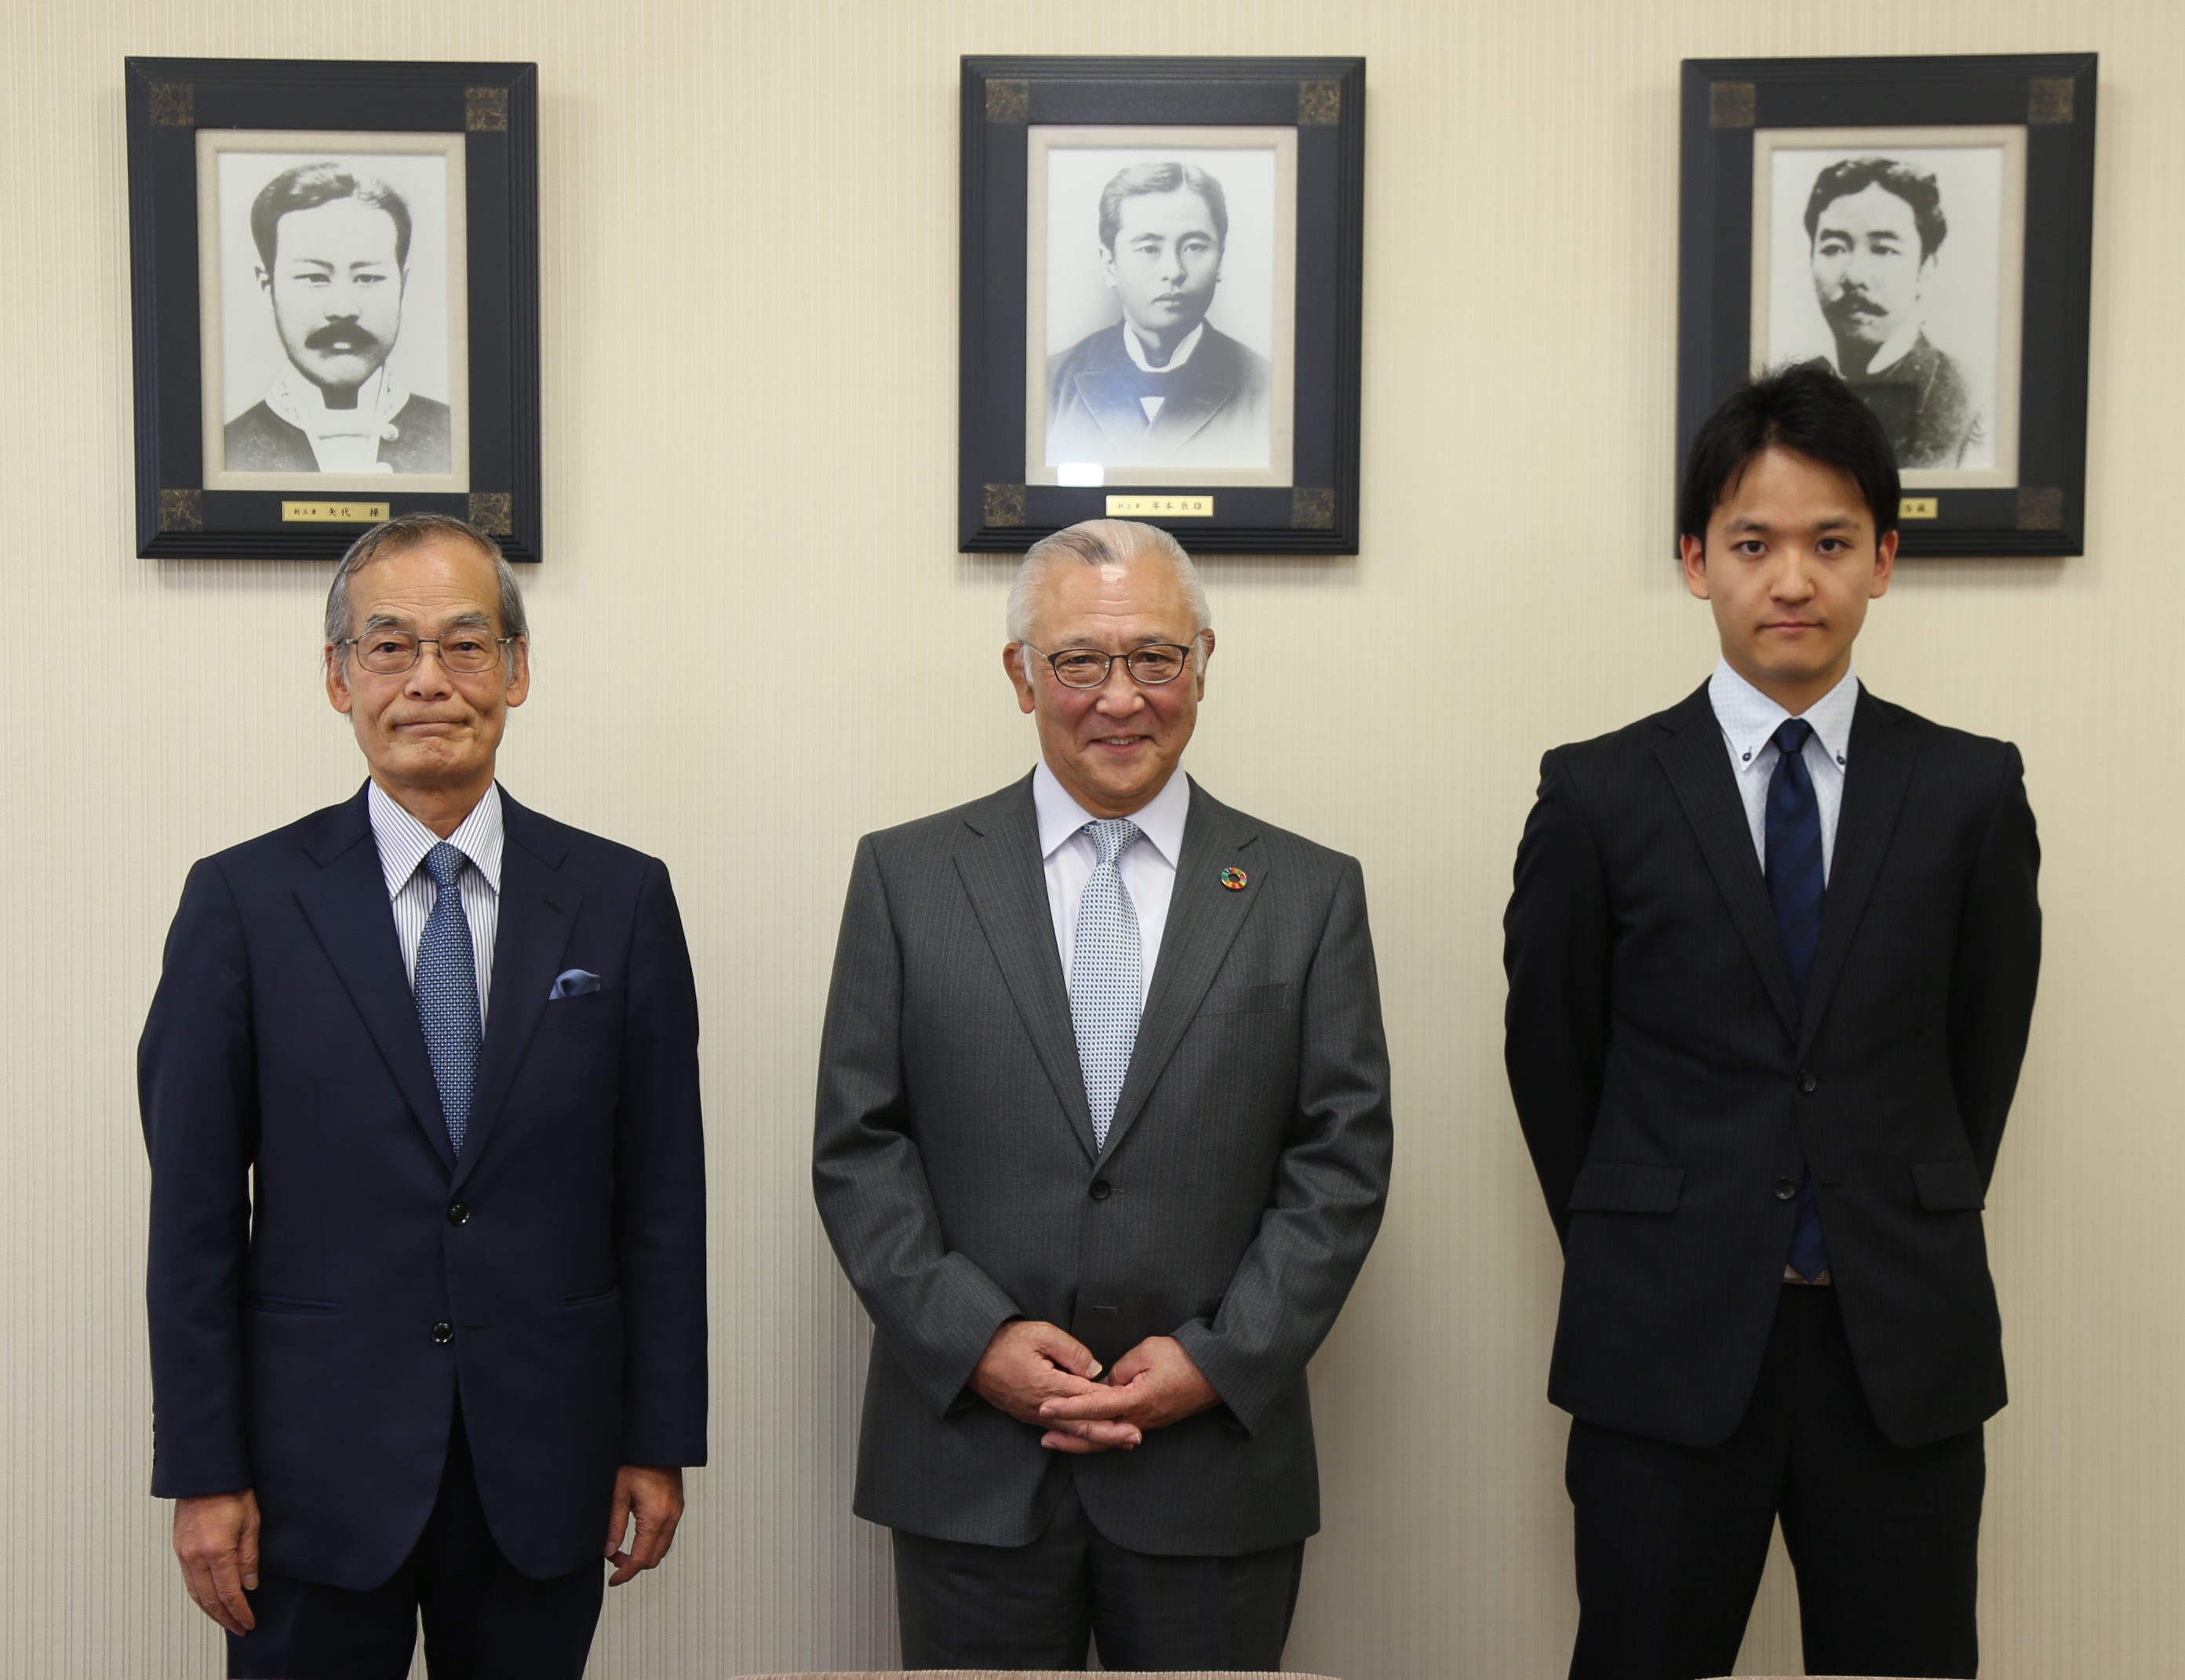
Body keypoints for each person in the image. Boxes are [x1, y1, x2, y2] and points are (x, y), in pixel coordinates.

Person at [1503, 363, 2040, 1680]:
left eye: (1829, 543)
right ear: (1696, 561)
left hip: (1896, 1351)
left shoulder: (1970, 792)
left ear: (1885, 562)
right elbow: (1553, 1059)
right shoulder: (1598, 794)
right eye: (1752, 543)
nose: (1790, 578)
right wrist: (1657, 1224)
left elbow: (1982, 1055)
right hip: (1665, 1341)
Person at [813, 518, 1391, 1670]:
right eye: (1079, 660)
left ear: (1203, 664)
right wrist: (974, 1340)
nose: (1119, 696)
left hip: (1213, 1469)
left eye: (1154, 658)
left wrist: (1217, 1360)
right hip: (970, 1465)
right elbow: (859, 1146)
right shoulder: (906, 877)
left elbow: (1341, 1161)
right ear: (1021, 673)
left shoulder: (1308, 892)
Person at [140, 513, 707, 1678]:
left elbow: (661, 1198)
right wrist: (205, 1467)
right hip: (309, 1476)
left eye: (465, 643)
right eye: (390, 646)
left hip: (545, 1461)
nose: (429, 681)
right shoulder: (241, 903)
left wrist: (656, 1438)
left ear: (518, 669)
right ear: (339, 677)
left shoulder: (620, 898)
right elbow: (193, 1216)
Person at [224, 162, 454, 474]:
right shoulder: (227, 454)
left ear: (403, 286)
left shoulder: (454, 444)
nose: (343, 308)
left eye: (368, 277)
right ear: (268, 287)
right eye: (314, 277)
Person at [1046, 163, 1273, 469]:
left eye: (1193, 247)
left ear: (1219, 259)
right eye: (1149, 248)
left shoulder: (1268, 387)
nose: (1173, 271)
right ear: (1110, 263)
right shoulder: (1050, 385)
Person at [1804, 155, 1983, 468]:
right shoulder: (1792, 391)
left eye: (1884, 250)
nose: (1855, 275)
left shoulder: (1969, 401)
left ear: (1926, 267)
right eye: (1834, 248)